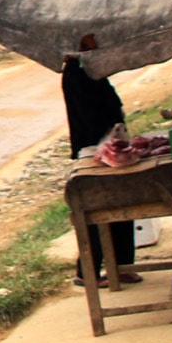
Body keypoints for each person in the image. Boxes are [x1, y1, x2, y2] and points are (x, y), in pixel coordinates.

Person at [61, 53, 136, 285]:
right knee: (96, 209)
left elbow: (112, 102)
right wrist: (109, 137)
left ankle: (123, 266)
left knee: (123, 202)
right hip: (94, 149)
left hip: (110, 143)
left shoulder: (92, 66)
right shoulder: (75, 72)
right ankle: (87, 272)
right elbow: (90, 115)